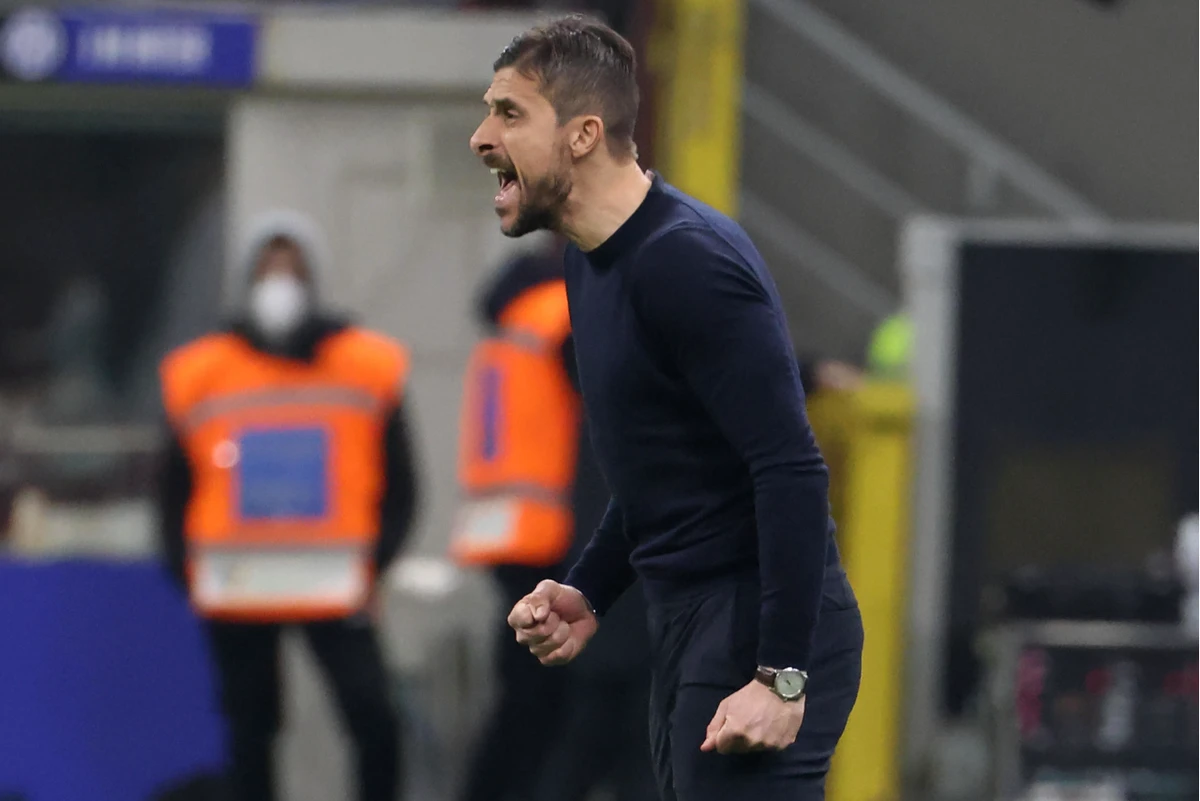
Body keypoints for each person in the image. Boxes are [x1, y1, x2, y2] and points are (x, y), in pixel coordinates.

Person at [468, 16, 864, 801]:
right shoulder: (592, 264)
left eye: (510, 114)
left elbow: (790, 469)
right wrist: (588, 589)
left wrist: (781, 676)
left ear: (584, 135)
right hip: (686, 619)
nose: (483, 138)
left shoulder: (685, 261)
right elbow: (658, 471)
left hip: (756, 628)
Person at [157, 209, 417, 801]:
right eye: (269, 268)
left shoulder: (364, 366)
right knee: (250, 731)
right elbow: (172, 487)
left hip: (335, 582)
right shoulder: (202, 373)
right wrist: (185, 567)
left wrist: (374, 560)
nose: (281, 282)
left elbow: (402, 483)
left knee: (374, 717)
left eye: (293, 268)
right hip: (238, 585)